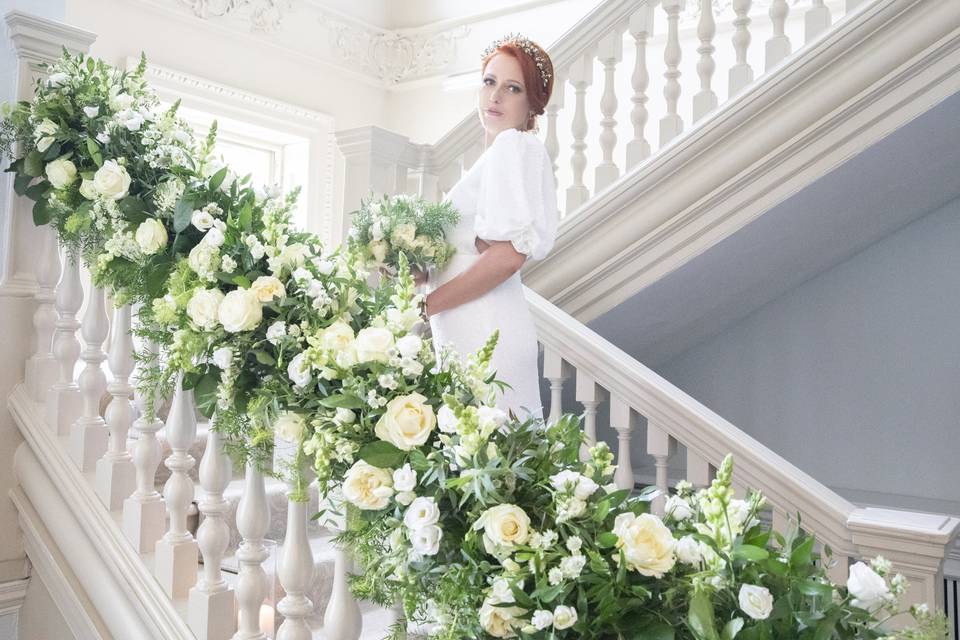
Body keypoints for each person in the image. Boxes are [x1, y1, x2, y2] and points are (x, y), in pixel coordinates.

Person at [417, 33, 559, 423]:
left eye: (512, 88)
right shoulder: (499, 156)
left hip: (485, 326)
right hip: (469, 324)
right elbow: (474, 248)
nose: (495, 96)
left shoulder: (514, 146)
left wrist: (428, 306)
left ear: (531, 104)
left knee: (495, 461)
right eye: (489, 82)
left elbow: (507, 256)